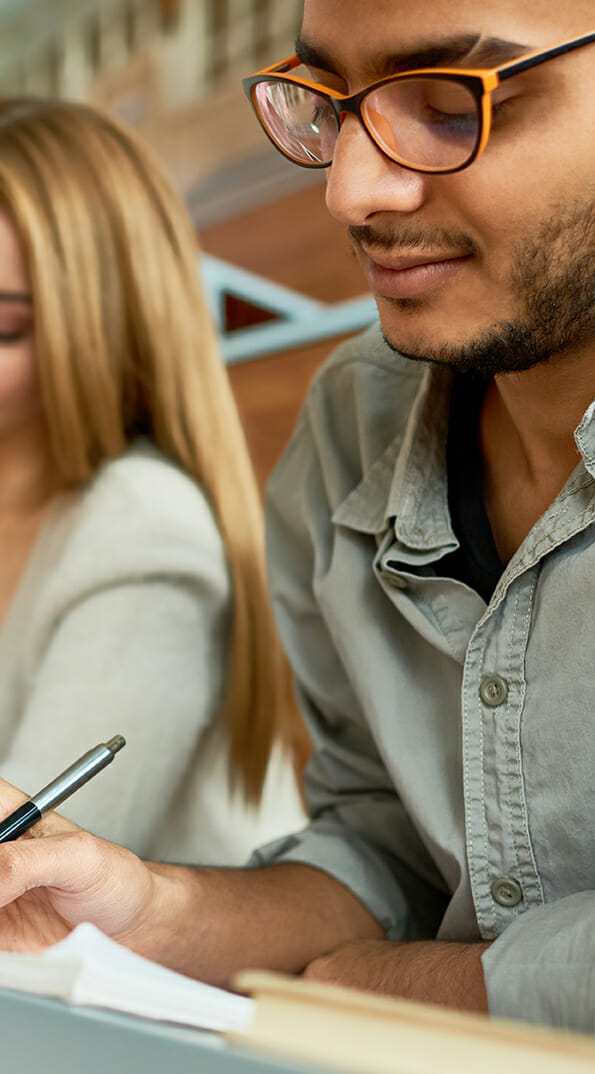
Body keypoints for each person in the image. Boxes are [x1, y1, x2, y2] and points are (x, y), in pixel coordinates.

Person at [1, 0, 595, 1074]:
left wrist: (388, 985)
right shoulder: (354, 419)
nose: (353, 190)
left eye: (452, 106)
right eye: (329, 107)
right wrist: (151, 906)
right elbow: (385, 856)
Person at [0, 97, 304, 864]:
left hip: (143, 976)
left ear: (101, 329)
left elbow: (26, 874)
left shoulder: (143, 530)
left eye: (1, 327)